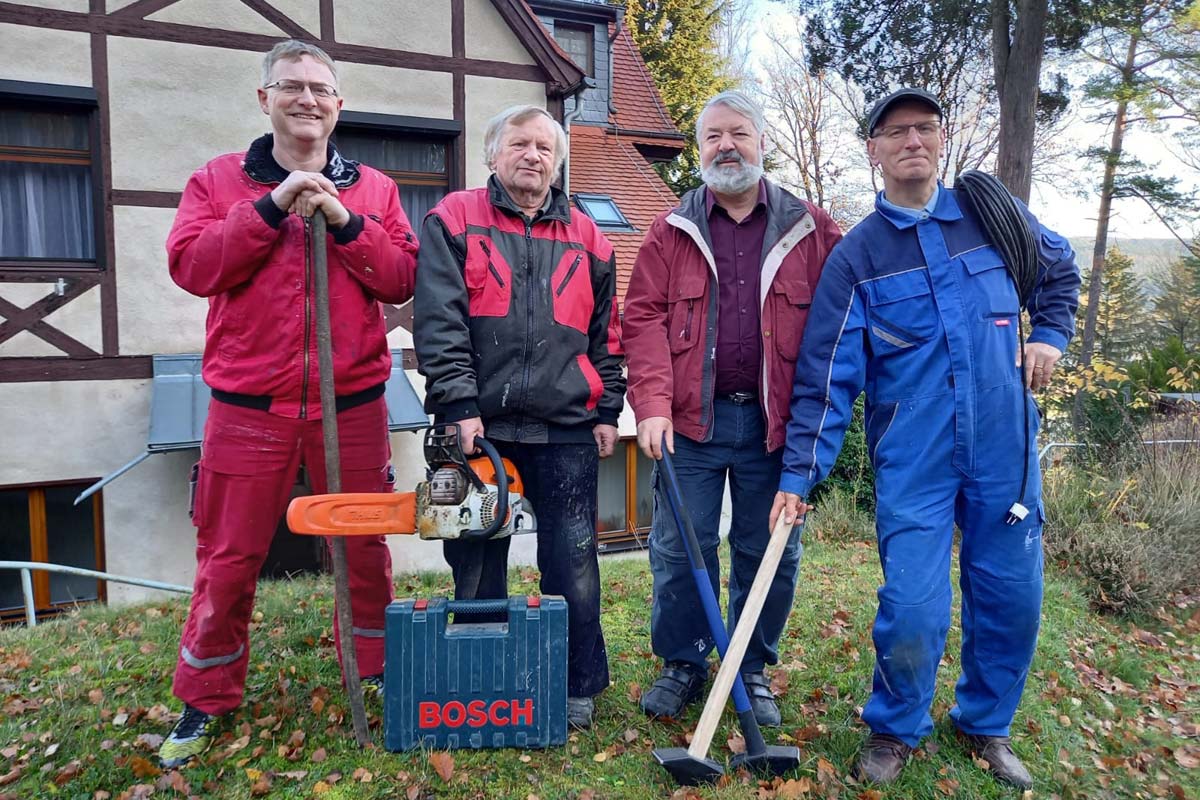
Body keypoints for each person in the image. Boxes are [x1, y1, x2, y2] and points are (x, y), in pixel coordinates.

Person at [771, 87, 1080, 788]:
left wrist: (1052, 337)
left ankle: (986, 723)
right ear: (874, 150)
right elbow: (827, 376)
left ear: (941, 140)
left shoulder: (993, 217)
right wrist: (799, 476)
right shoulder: (858, 258)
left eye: (925, 128)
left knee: (1012, 596)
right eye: (896, 131)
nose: (913, 140)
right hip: (916, 455)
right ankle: (895, 726)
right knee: (911, 603)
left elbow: (1058, 272)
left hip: (1006, 447)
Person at [159, 40, 418, 768]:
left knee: (362, 547)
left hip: (355, 403)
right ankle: (205, 697)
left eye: (321, 89)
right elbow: (194, 266)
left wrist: (344, 222)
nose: (308, 99)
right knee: (229, 555)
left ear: (339, 105)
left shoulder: (374, 188)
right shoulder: (218, 181)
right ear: (264, 98)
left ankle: (374, 675)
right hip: (249, 407)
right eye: (292, 86)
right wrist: (272, 207)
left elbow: (400, 278)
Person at [623, 90, 842, 727]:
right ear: (699, 151)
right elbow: (641, 320)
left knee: (769, 549)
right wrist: (653, 406)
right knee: (677, 546)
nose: (727, 146)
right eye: (713, 136)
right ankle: (687, 661)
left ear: (762, 143)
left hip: (775, 428)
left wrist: (811, 435)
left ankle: (749, 664)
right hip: (691, 422)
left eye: (739, 134)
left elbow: (838, 332)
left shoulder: (812, 229)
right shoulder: (671, 231)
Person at [413, 104, 625, 730]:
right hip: (480, 424)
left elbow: (606, 335)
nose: (533, 156)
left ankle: (577, 681)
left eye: (545, 147)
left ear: (559, 161)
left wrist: (607, 407)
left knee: (574, 558)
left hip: (567, 426)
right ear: (492, 154)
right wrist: (457, 405)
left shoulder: (591, 236)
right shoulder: (453, 218)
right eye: (520, 144)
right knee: (477, 556)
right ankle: (488, 673)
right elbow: (439, 320)